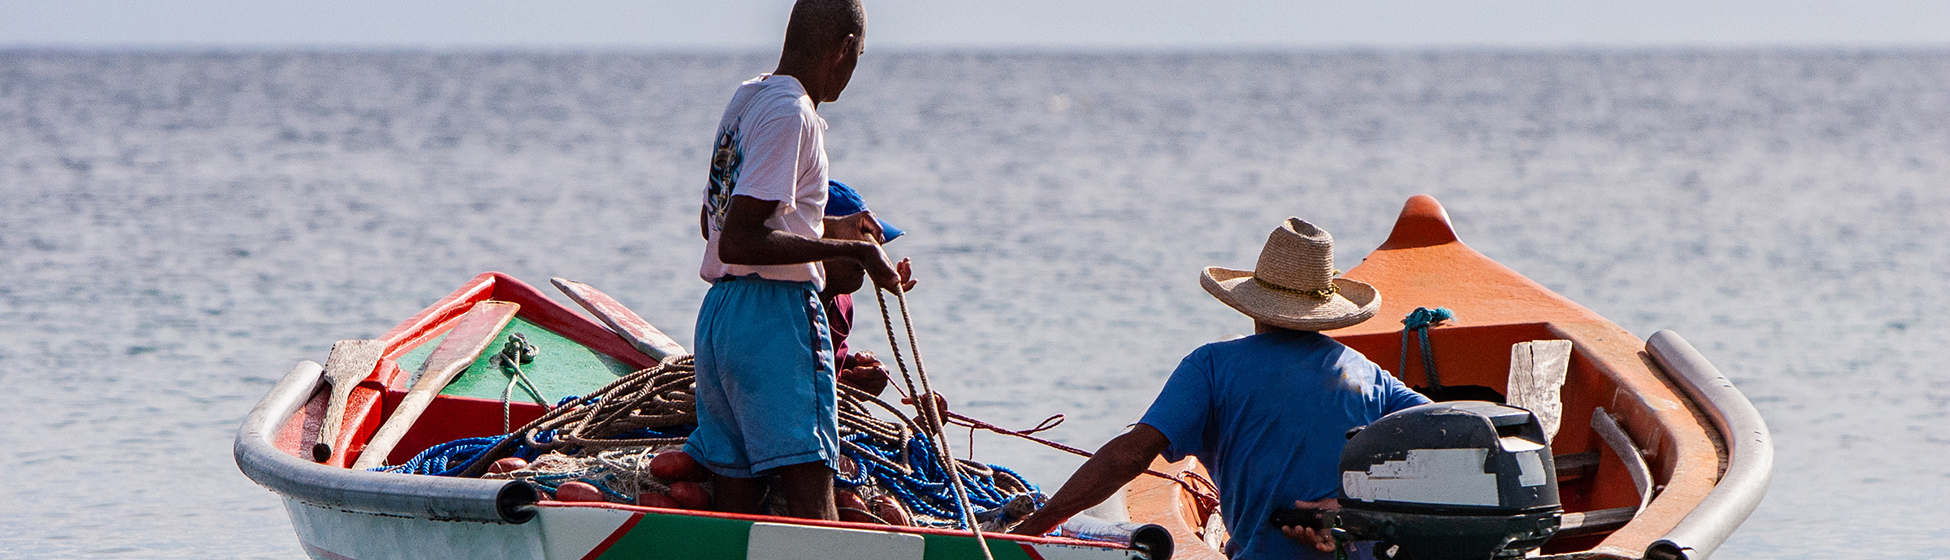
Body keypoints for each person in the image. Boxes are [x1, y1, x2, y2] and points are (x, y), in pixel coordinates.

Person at [1010, 218, 1430, 559]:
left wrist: (1033, 528)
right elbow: (1450, 434)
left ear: (1253, 303)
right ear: (1324, 311)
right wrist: (1346, 508)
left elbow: (1130, 455)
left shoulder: (1212, 366)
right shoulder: (1367, 375)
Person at [688, 0, 912, 521]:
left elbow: (713, 223)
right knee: (813, 494)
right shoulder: (794, 114)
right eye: (857, 56)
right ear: (842, 50)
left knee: (735, 502)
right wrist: (853, 251)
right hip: (776, 317)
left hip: (721, 319)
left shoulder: (748, 99)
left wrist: (831, 230)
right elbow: (739, 240)